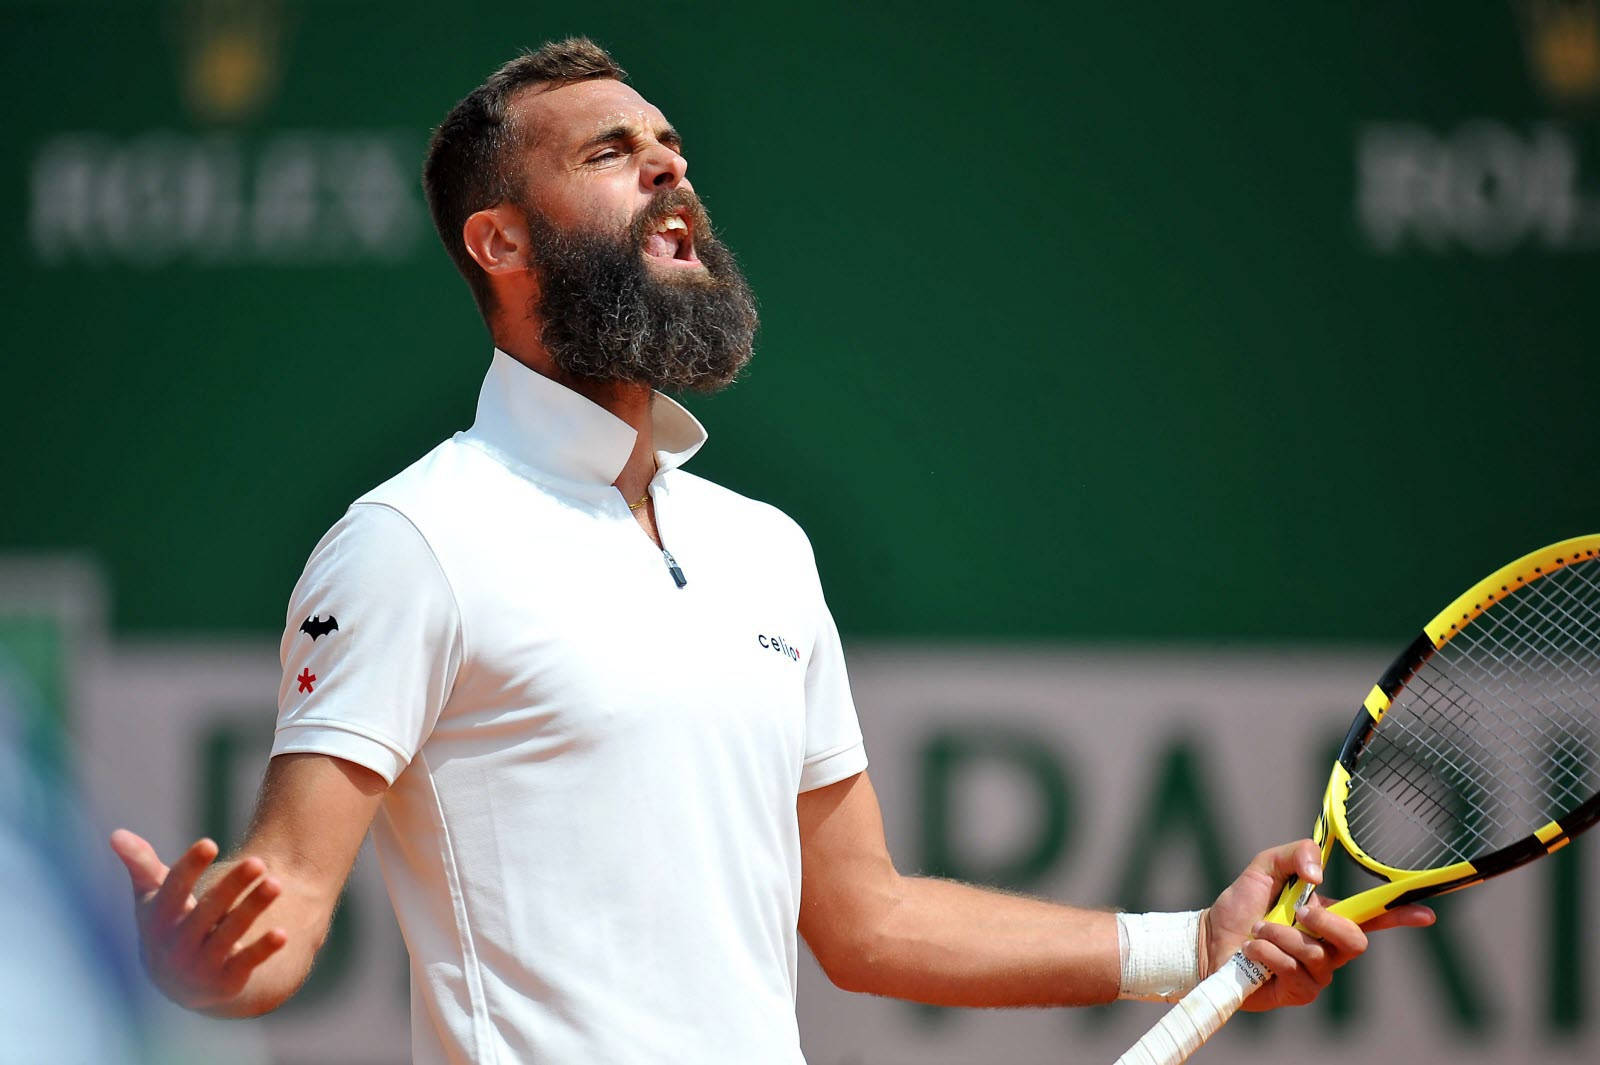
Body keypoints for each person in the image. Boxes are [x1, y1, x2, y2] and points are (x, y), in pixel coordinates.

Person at [108, 38, 1434, 1064]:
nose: (672, 166)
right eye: (613, 151)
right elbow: (277, 910)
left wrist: (1186, 944)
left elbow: (865, 919)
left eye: (673, 144)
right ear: (500, 241)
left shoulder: (767, 553)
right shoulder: (413, 541)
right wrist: (193, 962)